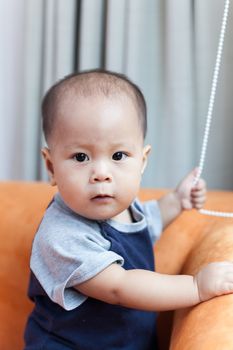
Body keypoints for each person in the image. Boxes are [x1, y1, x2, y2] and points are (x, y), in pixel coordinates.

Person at [24, 69, 233, 350]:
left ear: (142, 161)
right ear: (51, 167)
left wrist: (177, 201)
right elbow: (119, 287)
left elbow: (146, 221)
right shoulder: (61, 235)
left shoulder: (121, 206)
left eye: (118, 156)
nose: (101, 173)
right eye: (81, 157)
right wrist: (196, 286)